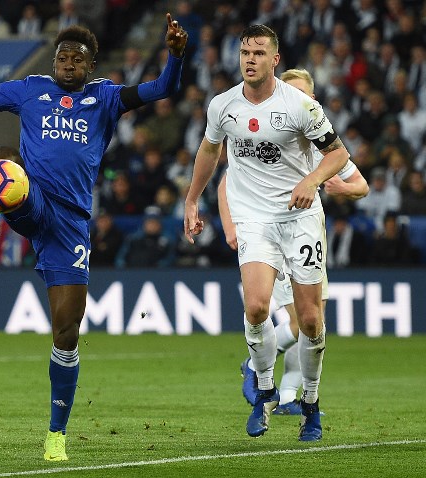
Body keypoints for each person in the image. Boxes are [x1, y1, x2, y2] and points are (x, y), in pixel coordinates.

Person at [0, 14, 188, 460]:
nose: (67, 63)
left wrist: (175, 55)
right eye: (62, 57)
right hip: (33, 204)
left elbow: (162, 89)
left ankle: (57, 432)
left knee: (66, 333)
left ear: (90, 67)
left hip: (70, 224)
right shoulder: (30, 88)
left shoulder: (106, 97)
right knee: (3, 159)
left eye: (77, 58)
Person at [184, 25, 350, 442]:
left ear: (275, 59)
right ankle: (264, 390)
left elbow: (339, 154)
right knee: (257, 308)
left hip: (300, 219)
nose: (250, 59)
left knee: (310, 319)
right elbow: (209, 151)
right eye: (244, 52)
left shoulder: (300, 105)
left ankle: (310, 402)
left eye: (258, 52)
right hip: (254, 219)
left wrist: (311, 180)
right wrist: (191, 200)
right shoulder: (223, 105)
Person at [221, 68, 369, 415]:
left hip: (307, 232)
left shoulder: (323, 144)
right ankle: (258, 367)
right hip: (271, 234)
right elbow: (225, 182)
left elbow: (361, 185)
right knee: (297, 320)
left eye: (299, 94)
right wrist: (231, 228)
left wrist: (342, 188)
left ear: (312, 101)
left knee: (310, 323)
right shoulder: (265, 140)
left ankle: (288, 396)